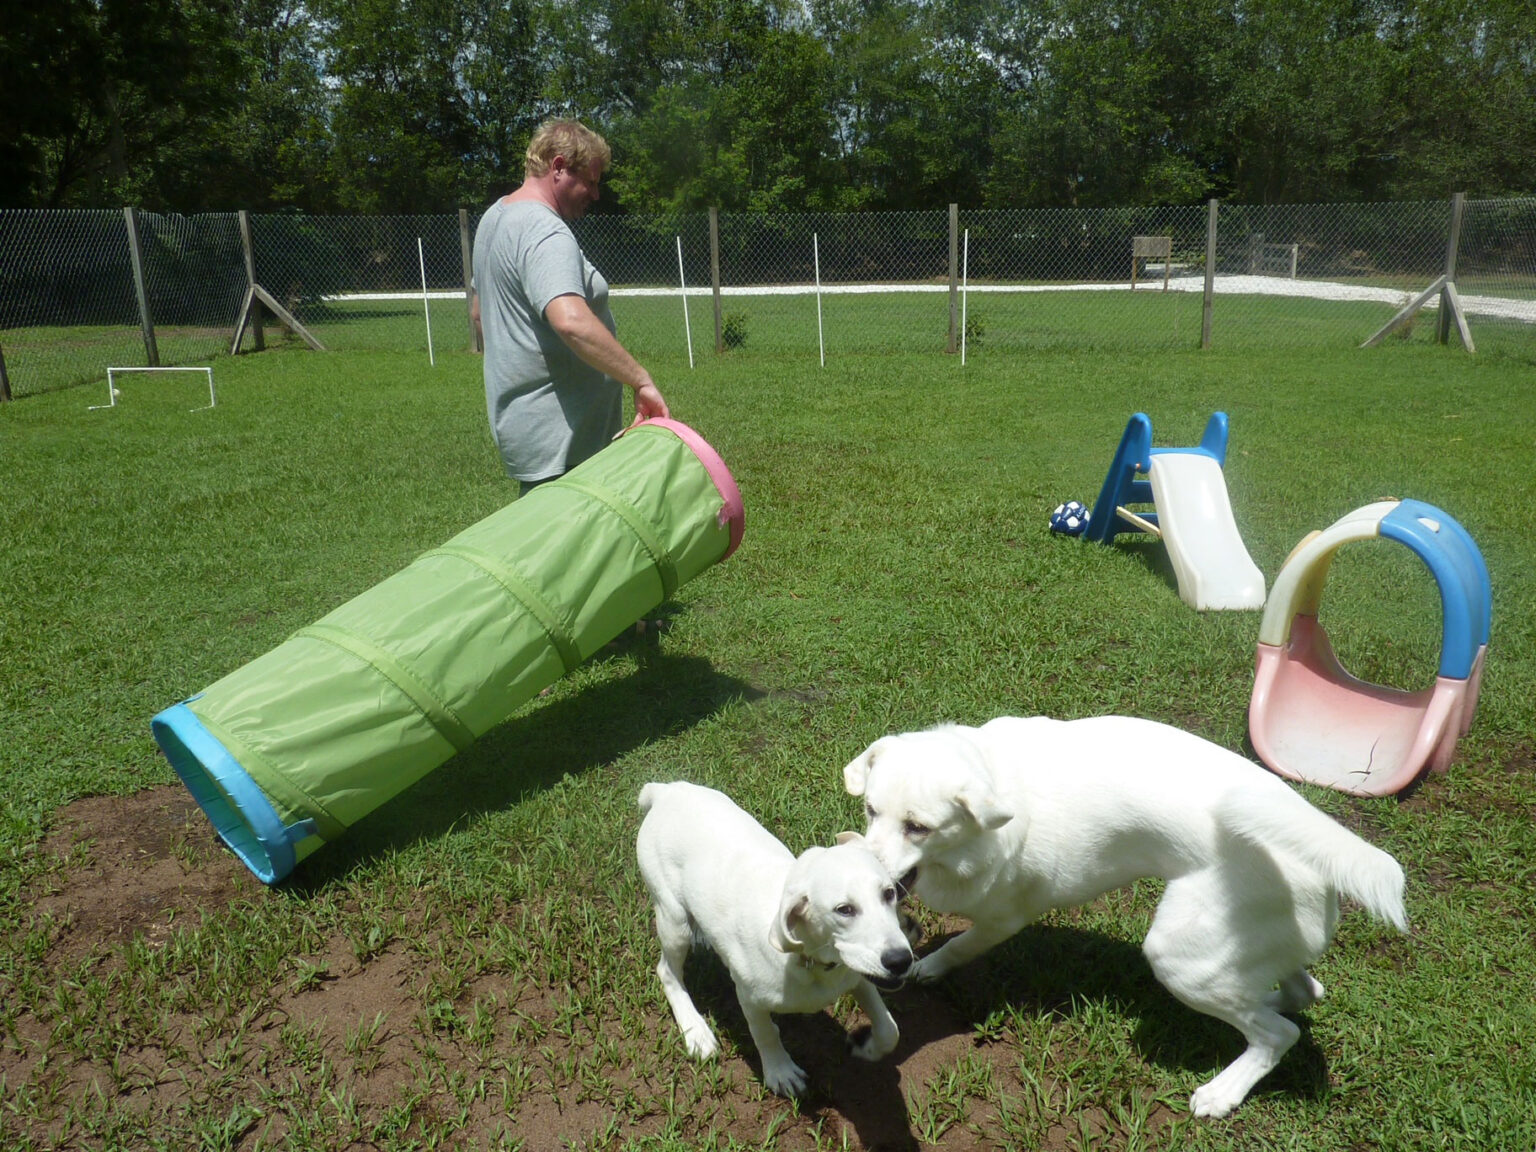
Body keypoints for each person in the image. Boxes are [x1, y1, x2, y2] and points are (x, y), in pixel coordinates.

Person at [471, 119, 669, 494]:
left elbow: (480, 316)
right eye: (590, 182)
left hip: (528, 436)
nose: (595, 194)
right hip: (565, 443)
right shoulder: (544, 230)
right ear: (558, 167)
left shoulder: (494, 218)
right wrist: (639, 379)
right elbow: (571, 320)